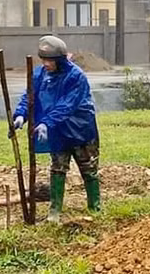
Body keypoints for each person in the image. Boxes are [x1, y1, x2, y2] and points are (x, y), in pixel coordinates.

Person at [11, 36, 100, 223]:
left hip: (79, 129)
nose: (46, 64)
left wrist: (46, 122)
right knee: (57, 168)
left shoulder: (76, 77)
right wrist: (21, 115)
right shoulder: (39, 75)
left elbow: (67, 105)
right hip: (57, 131)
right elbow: (29, 96)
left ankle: (95, 207)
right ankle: (55, 211)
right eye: (43, 60)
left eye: (50, 60)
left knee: (88, 168)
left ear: (59, 60)